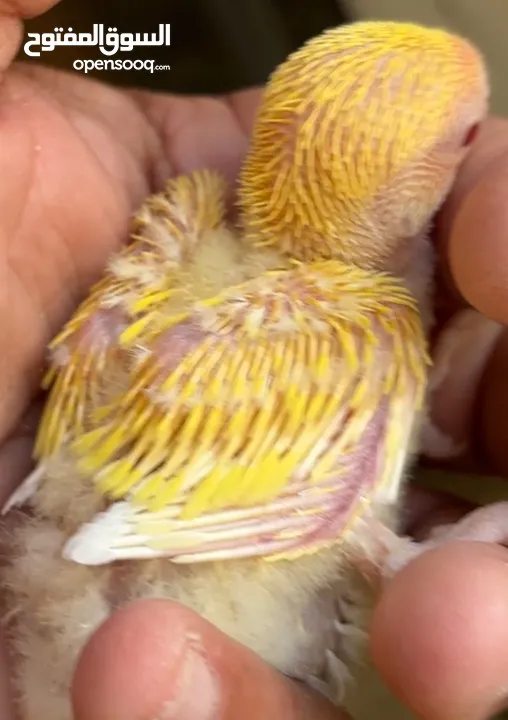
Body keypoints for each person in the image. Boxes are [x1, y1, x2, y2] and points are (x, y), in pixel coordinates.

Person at [2, 1, 508, 718]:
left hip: (67, 545)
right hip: (170, 564)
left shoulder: (187, 217)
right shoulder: (364, 322)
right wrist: (400, 556)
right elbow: (327, 495)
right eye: (464, 137)